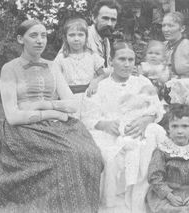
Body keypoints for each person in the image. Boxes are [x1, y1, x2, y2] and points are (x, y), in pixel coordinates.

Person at [0, 19, 103, 213]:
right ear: (21, 39)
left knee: (92, 155)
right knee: (66, 156)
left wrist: (43, 104)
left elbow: (71, 104)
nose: (40, 40)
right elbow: (13, 116)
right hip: (22, 130)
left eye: (44, 35)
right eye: (33, 35)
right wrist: (54, 112)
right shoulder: (10, 68)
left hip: (56, 125)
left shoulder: (52, 66)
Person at [82, 42, 164, 213]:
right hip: (109, 133)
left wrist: (146, 120)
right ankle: (113, 205)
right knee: (111, 157)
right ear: (111, 61)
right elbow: (88, 115)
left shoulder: (142, 81)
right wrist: (104, 124)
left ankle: (138, 200)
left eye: (131, 59)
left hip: (139, 129)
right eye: (122, 59)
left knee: (147, 146)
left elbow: (157, 108)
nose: (127, 64)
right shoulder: (101, 85)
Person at [54, 18, 106, 118]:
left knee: (90, 124)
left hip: (89, 98)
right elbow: (55, 79)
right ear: (65, 37)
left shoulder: (92, 55)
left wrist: (95, 82)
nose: (76, 39)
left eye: (80, 35)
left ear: (86, 37)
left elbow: (102, 74)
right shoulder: (61, 58)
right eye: (72, 35)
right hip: (69, 98)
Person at [162, 11, 189, 79]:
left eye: (170, 26)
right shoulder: (161, 47)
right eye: (163, 25)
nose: (166, 29)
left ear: (182, 28)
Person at [87, 0, 121, 68]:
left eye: (113, 20)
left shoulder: (105, 39)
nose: (109, 24)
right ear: (94, 18)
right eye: (105, 18)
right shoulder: (83, 38)